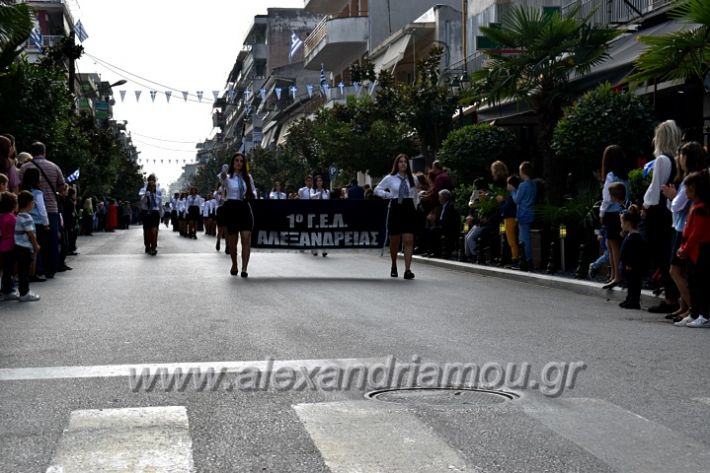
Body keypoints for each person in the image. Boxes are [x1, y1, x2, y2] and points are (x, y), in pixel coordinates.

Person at [662, 142, 706, 322]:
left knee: (675, 270)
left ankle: (695, 309)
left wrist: (672, 196)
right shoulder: (686, 178)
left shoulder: (693, 180)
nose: (678, 159)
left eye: (681, 155)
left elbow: (676, 204)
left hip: (683, 228)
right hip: (680, 226)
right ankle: (686, 308)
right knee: (683, 271)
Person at [643, 120, 681, 314]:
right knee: (668, 254)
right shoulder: (675, 159)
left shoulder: (661, 160)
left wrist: (645, 206)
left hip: (657, 212)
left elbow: (655, 188)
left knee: (661, 255)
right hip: (669, 211)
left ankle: (670, 298)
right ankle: (674, 296)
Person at [19, 142, 65, 279]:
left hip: (29, 210)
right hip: (51, 209)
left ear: (32, 152)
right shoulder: (54, 166)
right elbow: (61, 187)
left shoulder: (25, 167)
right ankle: (51, 268)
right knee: (51, 241)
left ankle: (37, 269)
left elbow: (20, 186)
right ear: (44, 152)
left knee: (33, 241)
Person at [674, 171, 710, 327]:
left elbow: (696, 233)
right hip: (691, 250)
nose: (685, 191)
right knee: (693, 283)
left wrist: (685, 248)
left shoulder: (701, 208)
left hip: (700, 250)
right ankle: (694, 313)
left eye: (688, 188)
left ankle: (705, 314)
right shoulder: (694, 206)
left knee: (701, 284)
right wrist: (683, 248)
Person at [375, 154, 418, 279]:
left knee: (409, 239)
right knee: (395, 241)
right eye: (401, 162)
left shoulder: (412, 178)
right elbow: (377, 189)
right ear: (397, 164)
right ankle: (394, 264)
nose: (403, 164)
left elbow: (415, 194)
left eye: (405, 161)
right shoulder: (390, 178)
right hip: (396, 207)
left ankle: (408, 270)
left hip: (408, 207)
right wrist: (389, 195)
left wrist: (416, 206)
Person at [219, 152, 255, 277]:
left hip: (244, 207)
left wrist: (253, 195)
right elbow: (222, 181)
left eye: (241, 161)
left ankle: (244, 268)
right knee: (233, 241)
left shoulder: (248, 177)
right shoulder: (227, 177)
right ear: (233, 163)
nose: (239, 163)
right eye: (236, 161)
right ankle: (234, 263)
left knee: (246, 238)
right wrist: (223, 174)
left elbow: (253, 190)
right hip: (231, 207)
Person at [599, 145, 628, 289]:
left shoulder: (611, 176)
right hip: (622, 210)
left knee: (612, 246)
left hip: (611, 213)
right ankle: (615, 274)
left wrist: (601, 212)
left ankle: (616, 276)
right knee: (615, 245)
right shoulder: (624, 176)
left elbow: (607, 198)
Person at [21, 168, 48, 282]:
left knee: (27, 247)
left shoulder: (23, 191)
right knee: (37, 247)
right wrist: (46, 223)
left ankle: (26, 272)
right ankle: (36, 271)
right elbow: (42, 209)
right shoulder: (38, 192)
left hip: (23, 221)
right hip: (36, 222)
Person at [15, 190, 41, 302]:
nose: (34, 204)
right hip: (25, 247)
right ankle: (24, 293)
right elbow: (30, 233)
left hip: (18, 246)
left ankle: (22, 291)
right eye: (33, 202)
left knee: (21, 271)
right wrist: (36, 244)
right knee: (25, 271)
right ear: (29, 203)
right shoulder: (27, 217)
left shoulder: (17, 216)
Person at [509, 162, 537, 269]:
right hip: (531, 213)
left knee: (523, 239)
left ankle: (526, 260)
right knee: (527, 238)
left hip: (523, 214)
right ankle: (527, 260)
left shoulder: (523, 185)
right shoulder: (533, 184)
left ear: (523, 172)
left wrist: (513, 191)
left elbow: (516, 200)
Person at [618, 205, 645, 310]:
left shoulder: (634, 238)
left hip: (633, 266)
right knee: (631, 284)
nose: (621, 225)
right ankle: (629, 299)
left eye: (622, 223)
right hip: (630, 266)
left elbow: (633, 253)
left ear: (628, 224)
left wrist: (629, 263)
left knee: (634, 285)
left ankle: (634, 301)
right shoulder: (631, 236)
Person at [0, 192, 18, 300]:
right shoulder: (12, 218)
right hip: (11, 247)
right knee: (9, 270)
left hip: (2, 246)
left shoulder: (1, 217)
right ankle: (8, 290)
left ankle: (4, 289)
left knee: (4, 269)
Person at [140, 180, 162, 255]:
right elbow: (142, 204)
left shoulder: (158, 197)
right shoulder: (144, 195)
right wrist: (146, 196)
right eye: (151, 186)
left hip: (155, 214)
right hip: (147, 213)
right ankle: (147, 246)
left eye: (154, 186)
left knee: (154, 231)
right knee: (148, 231)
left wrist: (161, 215)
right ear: (148, 187)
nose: (152, 187)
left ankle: (153, 247)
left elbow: (160, 207)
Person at [310, 175, 330, 257]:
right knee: (315, 232)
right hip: (314, 213)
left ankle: (324, 249)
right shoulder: (313, 190)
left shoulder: (327, 191)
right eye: (317, 181)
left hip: (324, 213)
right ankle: (314, 249)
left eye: (320, 181)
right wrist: (319, 192)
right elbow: (311, 197)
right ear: (315, 182)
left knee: (324, 231)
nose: (319, 182)